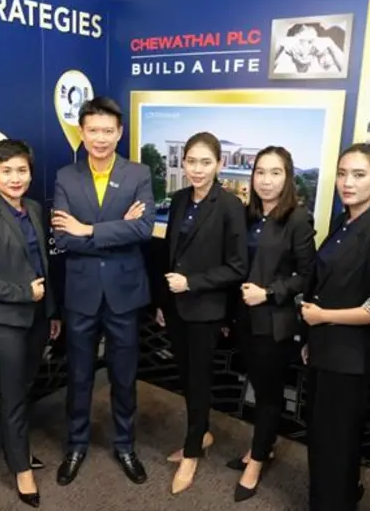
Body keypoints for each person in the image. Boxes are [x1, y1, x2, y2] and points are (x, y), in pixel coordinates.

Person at [51, 97, 154, 486]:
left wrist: (88, 229)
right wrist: (116, 230)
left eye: (108, 131)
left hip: (124, 292)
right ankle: (76, 444)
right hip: (81, 292)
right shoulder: (66, 176)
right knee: (79, 374)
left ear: (119, 133)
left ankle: (125, 444)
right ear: (81, 132)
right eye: (93, 130)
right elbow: (64, 237)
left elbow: (143, 229)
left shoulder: (138, 174)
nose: (100, 138)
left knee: (124, 375)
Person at [301, 143, 370, 511]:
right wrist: (313, 334)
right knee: (324, 439)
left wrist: (324, 317)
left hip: (350, 358)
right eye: (343, 174)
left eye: (359, 175)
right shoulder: (343, 222)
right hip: (325, 348)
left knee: (336, 443)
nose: (347, 182)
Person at [0, 139, 61, 508]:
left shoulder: (33, 208)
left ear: (31, 173)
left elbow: (42, 265)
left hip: (37, 319)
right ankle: (20, 467)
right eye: (6, 171)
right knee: (13, 395)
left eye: (22, 170)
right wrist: (22, 293)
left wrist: (50, 311)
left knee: (25, 387)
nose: (15, 178)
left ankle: (16, 448)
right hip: (5, 323)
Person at [152, 131, 247, 494]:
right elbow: (169, 255)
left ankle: (192, 452)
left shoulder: (230, 206)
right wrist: (164, 302)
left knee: (199, 381)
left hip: (206, 310)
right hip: (176, 307)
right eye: (191, 161)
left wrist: (191, 283)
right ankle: (201, 434)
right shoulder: (179, 199)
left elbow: (237, 267)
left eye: (206, 162)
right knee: (187, 378)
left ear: (219, 164)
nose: (197, 169)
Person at [225, 146, 316, 502]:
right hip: (244, 318)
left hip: (274, 322)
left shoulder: (297, 218)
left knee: (268, 395)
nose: (266, 180)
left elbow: (307, 275)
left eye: (275, 173)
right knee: (257, 388)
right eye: (260, 172)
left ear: (288, 177)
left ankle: (258, 460)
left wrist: (268, 292)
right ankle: (263, 446)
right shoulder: (247, 215)